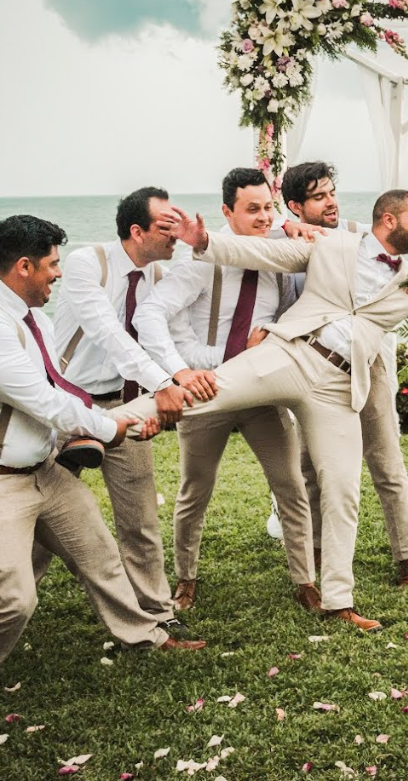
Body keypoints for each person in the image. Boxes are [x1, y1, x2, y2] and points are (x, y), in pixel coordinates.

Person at [112, 189, 408, 632]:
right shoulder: (332, 245)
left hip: (339, 387)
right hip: (291, 354)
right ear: (389, 219)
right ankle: (106, 425)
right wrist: (202, 240)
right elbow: (262, 253)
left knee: (343, 488)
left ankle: (338, 601)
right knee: (205, 392)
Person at [0, 216, 206, 699]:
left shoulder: (40, 322)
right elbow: (41, 400)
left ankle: (144, 635)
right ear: (24, 266)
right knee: (11, 599)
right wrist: (110, 426)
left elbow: (62, 393)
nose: (57, 275)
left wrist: (126, 421)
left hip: (43, 473)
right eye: (52, 266)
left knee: (99, 555)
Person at [133, 168, 317, 613]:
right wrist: (179, 373)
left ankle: (306, 582)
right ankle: (186, 580)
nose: (262, 217)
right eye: (251, 209)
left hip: (261, 395)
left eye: (268, 207)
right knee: (195, 490)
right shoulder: (202, 260)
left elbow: (300, 310)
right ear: (226, 212)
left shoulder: (280, 256)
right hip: (207, 391)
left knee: (290, 486)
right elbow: (149, 314)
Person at [49, 187, 212, 635]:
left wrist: (200, 244)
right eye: (166, 225)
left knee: (139, 517)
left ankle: (158, 613)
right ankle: (14, 597)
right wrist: (163, 384)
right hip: (64, 405)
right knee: (45, 513)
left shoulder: (161, 273)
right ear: (136, 230)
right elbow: (107, 333)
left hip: (125, 405)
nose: (175, 233)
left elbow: (180, 319)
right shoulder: (88, 263)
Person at [278, 161, 408, 586]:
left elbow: (401, 268)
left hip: (367, 362)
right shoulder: (283, 239)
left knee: (385, 458)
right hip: (311, 366)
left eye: (331, 192)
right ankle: (313, 553)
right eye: (318, 197)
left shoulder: (356, 235)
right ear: (295, 206)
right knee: (310, 466)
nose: (330, 202)